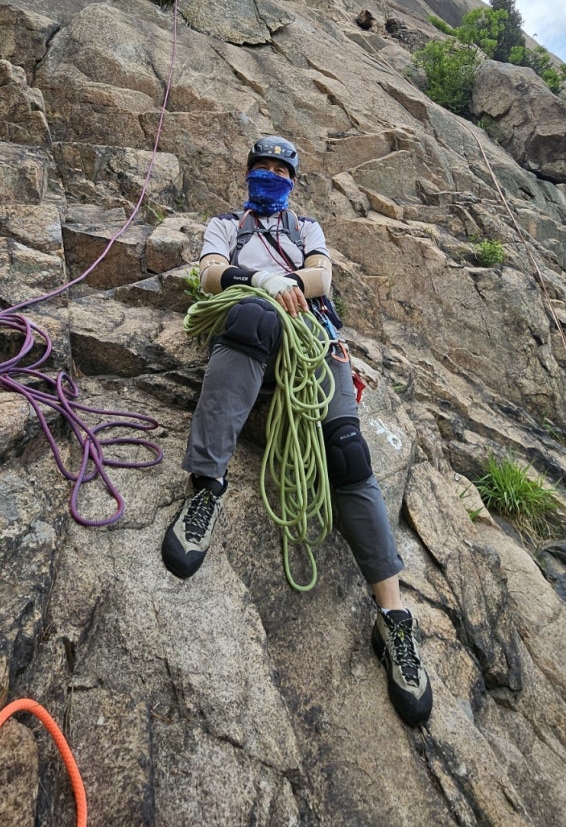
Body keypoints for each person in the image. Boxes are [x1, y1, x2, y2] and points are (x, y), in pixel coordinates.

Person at [161, 136, 433, 726]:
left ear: (291, 179)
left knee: (346, 450)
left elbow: (322, 279)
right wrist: (258, 282)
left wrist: (290, 287)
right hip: (250, 318)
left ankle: (393, 620)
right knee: (254, 315)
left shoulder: (306, 227)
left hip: (315, 334)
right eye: (259, 166)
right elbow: (209, 277)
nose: (268, 175)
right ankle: (205, 488)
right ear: (248, 173)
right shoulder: (224, 225)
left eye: (279, 169)